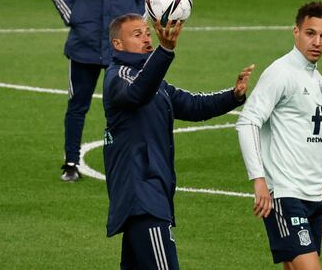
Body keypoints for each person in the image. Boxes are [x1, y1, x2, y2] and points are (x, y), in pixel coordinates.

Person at [103, 13, 255, 269]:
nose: (146, 39)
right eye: (137, 34)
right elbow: (137, 93)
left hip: (148, 196)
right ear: (118, 44)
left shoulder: (156, 84)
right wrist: (165, 51)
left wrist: (233, 95)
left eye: (147, 33)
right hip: (143, 197)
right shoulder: (119, 76)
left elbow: (193, 105)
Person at [236, 1, 322, 270]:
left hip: (312, 194)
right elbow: (247, 122)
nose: (317, 42)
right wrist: (259, 180)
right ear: (296, 32)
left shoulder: (318, 81)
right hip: (284, 193)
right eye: (310, 33)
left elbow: (314, 137)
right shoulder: (281, 73)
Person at [48, 0, 154, 181]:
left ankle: (136, 161)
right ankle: (71, 163)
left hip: (124, 47)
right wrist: (73, 17)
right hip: (84, 43)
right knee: (77, 105)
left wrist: (135, 24)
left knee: (133, 104)